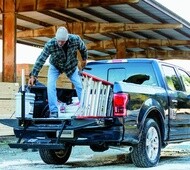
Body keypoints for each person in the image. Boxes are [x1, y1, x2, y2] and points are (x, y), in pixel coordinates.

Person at [28, 26, 88, 118]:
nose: (60, 43)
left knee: (80, 86)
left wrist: (84, 59)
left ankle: (84, 110)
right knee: (50, 85)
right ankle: (54, 111)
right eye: (58, 41)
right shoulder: (50, 44)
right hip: (55, 66)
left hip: (70, 66)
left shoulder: (75, 40)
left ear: (67, 39)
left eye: (62, 42)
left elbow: (83, 48)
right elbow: (41, 59)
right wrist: (33, 75)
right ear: (56, 38)